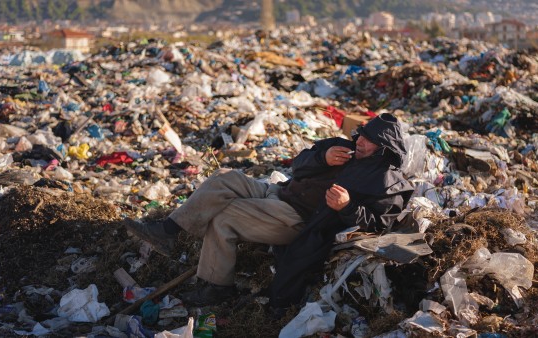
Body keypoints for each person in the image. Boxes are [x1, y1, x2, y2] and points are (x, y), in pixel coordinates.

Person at [124, 113, 414, 307]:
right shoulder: (343, 148)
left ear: (383, 147)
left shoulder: (384, 180)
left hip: (297, 219)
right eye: (360, 134)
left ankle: (215, 287)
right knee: (225, 178)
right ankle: (168, 231)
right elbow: (298, 165)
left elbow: (378, 223)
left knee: (226, 215)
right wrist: (323, 158)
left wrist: (347, 206)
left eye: (367, 139)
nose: (359, 140)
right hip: (279, 192)